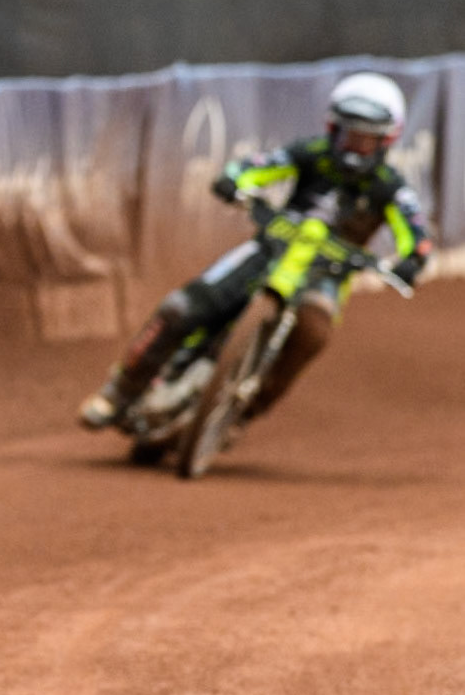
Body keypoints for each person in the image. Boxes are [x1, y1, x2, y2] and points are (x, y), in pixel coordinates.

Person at [79, 71, 432, 431]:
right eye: (347, 134)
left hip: (326, 277)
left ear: (387, 139)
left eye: (365, 140)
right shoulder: (310, 153)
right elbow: (261, 166)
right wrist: (234, 179)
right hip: (268, 250)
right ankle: (118, 392)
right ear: (331, 128)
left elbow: (416, 233)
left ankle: (242, 414)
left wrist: (412, 260)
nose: (354, 146)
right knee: (179, 307)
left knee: (313, 334)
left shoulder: (391, 188)